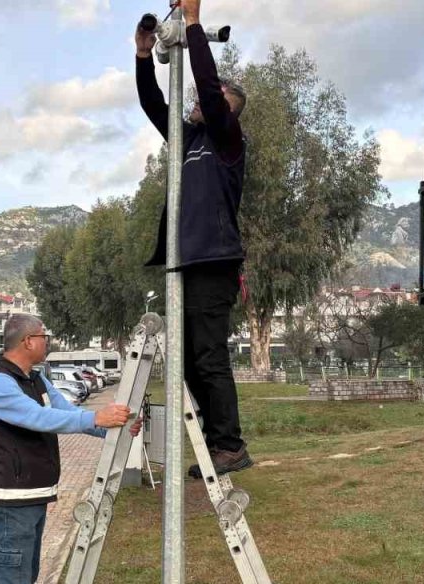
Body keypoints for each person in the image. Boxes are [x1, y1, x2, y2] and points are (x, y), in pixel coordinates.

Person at [135, 0, 252, 476]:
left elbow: (206, 83)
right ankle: (213, 437)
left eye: (216, 96)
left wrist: (195, 23)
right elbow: (152, 105)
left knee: (208, 354)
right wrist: (143, 56)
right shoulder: (186, 142)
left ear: (229, 109)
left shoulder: (228, 142)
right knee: (184, 361)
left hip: (213, 262)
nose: (204, 99)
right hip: (183, 264)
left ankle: (230, 445)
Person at [0, 314, 133, 584]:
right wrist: (97, 417)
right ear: (28, 341)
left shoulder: (36, 380)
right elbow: (39, 418)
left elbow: (67, 411)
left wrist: (110, 427)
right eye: (43, 335)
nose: (48, 341)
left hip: (33, 498)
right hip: (12, 503)